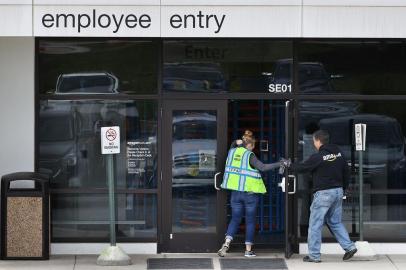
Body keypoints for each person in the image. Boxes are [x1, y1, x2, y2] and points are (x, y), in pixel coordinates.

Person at [217, 130, 289, 258]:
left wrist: (235, 142)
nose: (254, 148)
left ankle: (226, 243)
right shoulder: (249, 155)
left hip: (235, 193)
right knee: (250, 221)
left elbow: (233, 144)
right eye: (253, 145)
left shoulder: (232, 152)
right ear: (250, 145)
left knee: (235, 219)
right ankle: (248, 251)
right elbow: (263, 167)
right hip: (250, 194)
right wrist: (280, 163)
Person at [289, 129, 357, 263]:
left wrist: (289, 165)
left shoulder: (318, 157)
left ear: (318, 141)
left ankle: (314, 255)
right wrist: (344, 188)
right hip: (338, 191)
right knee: (335, 221)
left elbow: (302, 168)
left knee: (315, 224)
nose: (314, 143)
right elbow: (346, 172)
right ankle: (349, 247)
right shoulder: (339, 153)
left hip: (324, 193)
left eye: (314, 141)